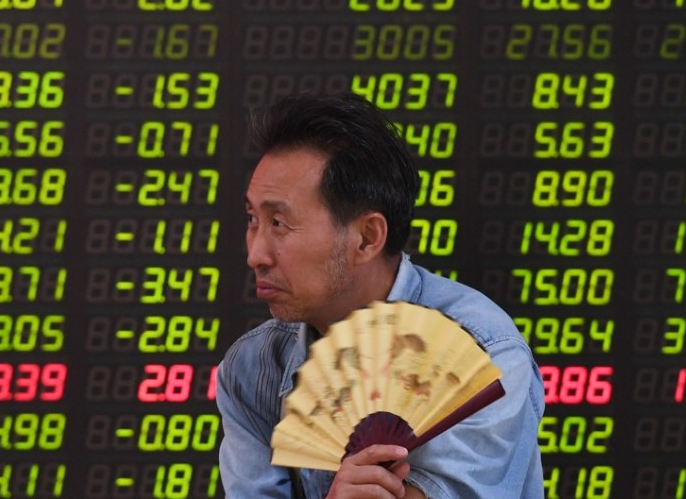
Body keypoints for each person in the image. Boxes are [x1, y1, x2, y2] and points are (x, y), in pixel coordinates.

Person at [216, 92, 544, 499]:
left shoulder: (486, 351)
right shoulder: (251, 370)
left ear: (367, 238)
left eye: (279, 223)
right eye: (253, 219)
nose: (255, 255)